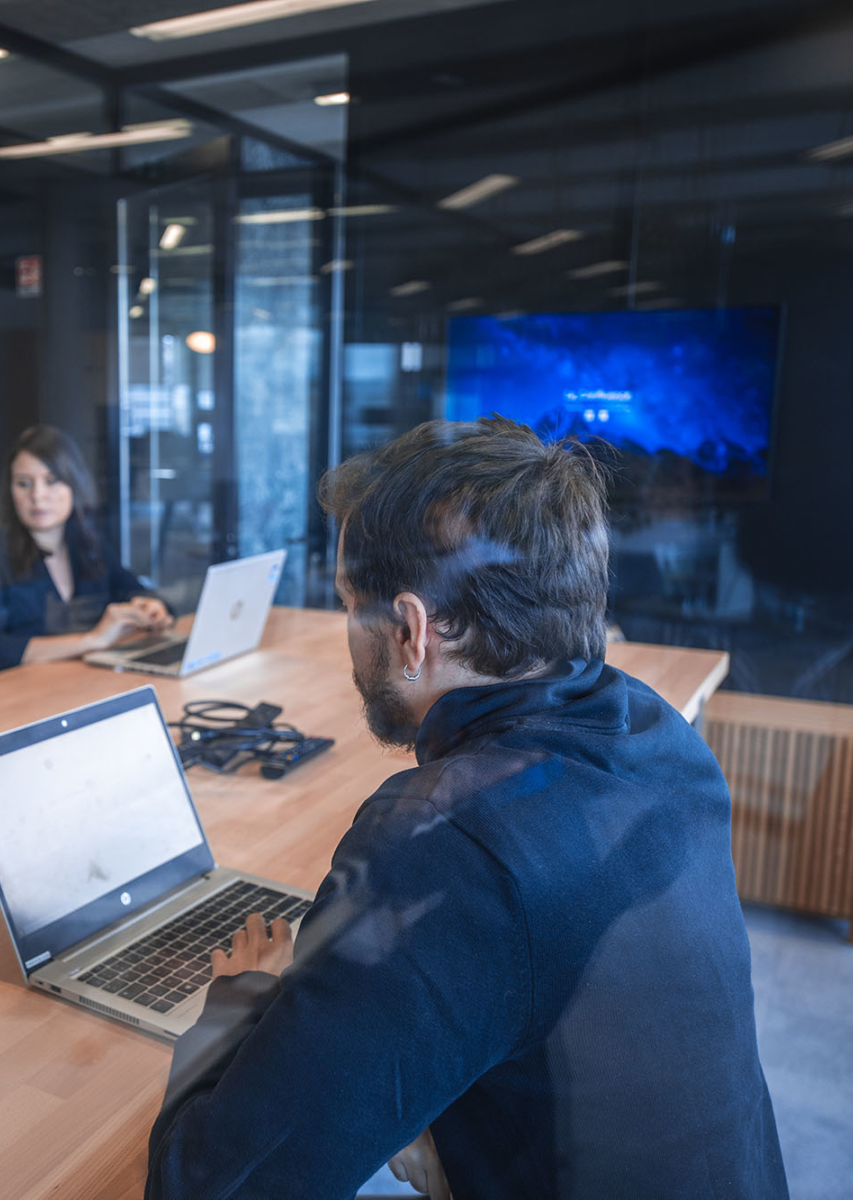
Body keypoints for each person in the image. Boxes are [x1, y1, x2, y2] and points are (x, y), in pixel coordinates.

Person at [146, 418, 787, 1199]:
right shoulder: (658, 738)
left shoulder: (441, 840)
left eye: (353, 605)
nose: (348, 634)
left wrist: (243, 1000)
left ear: (411, 632)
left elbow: (210, 1189)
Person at [0, 425, 170, 678]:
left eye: (51, 481)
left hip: (84, 681)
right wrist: (92, 640)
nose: (38, 496)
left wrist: (153, 609)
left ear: (74, 485)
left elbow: (133, 589)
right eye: (24, 484)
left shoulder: (88, 542)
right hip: (17, 691)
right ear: (9, 491)